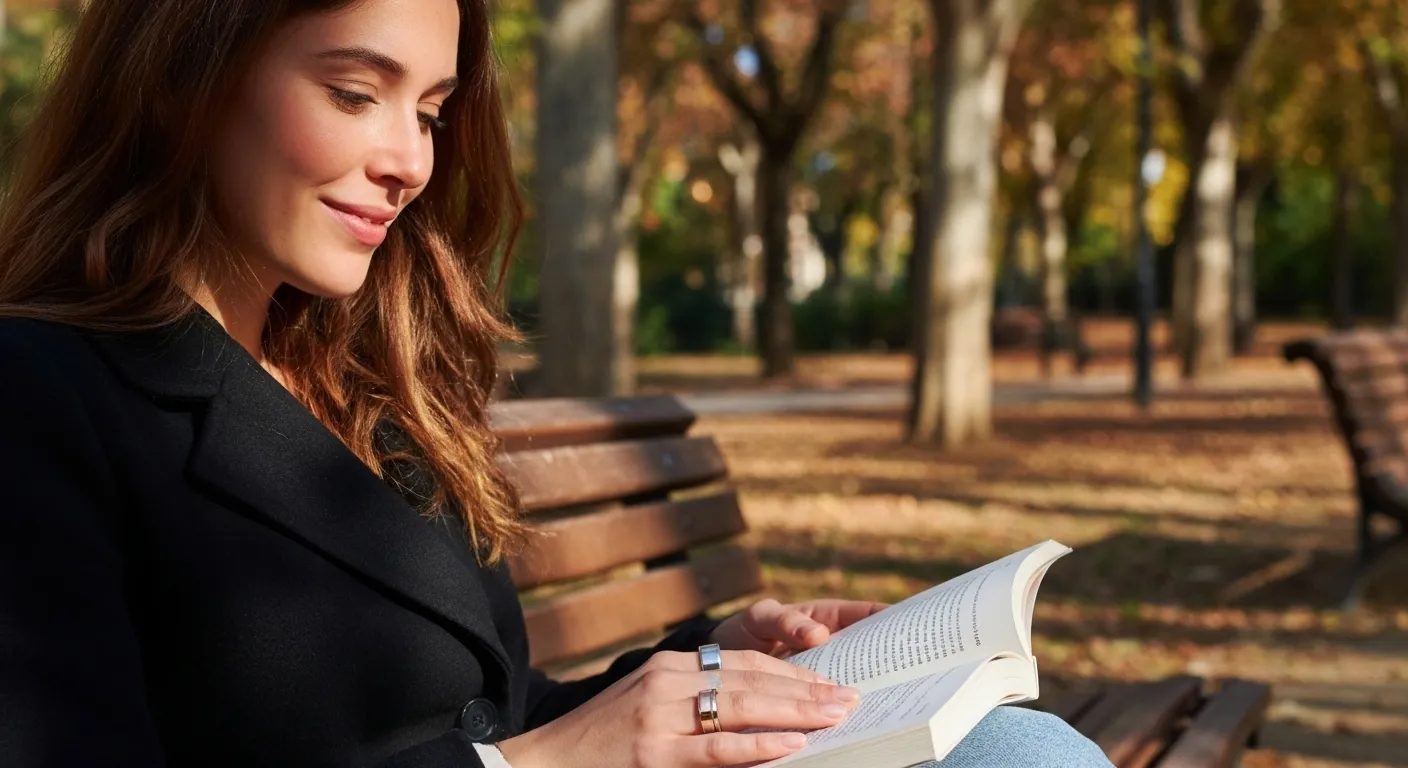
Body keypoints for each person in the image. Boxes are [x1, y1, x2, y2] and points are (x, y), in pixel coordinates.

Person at [0, 1, 1114, 766]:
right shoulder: (45, 397)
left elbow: (499, 712)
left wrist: (712, 661)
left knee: (1011, 746)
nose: (410, 160)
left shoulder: (368, 391)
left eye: (431, 112)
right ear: (179, 79)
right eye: (353, 93)